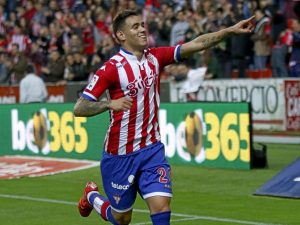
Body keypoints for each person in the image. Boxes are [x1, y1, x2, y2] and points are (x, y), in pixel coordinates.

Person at [74, 10, 254, 225]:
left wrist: (230, 31)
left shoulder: (155, 57)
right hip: (120, 154)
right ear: (121, 36)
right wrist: (108, 103)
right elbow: (80, 107)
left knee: (162, 207)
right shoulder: (111, 69)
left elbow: (198, 44)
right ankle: (91, 196)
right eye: (135, 27)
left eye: (142, 25)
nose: (142, 29)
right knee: (121, 218)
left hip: (152, 150)